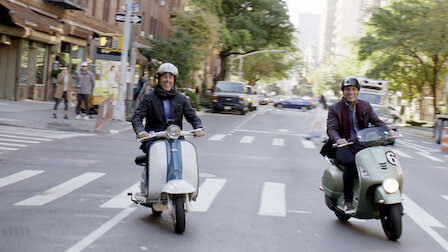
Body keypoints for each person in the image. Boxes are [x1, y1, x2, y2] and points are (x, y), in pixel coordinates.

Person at [325, 77, 397, 214]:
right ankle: (348, 200)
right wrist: (338, 139)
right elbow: (331, 128)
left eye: (353, 89)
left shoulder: (365, 106)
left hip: (363, 144)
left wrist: (389, 130)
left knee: (379, 159)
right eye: (347, 89)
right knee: (351, 163)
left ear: (357, 91)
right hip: (344, 146)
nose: (350, 92)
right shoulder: (335, 108)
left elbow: (377, 121)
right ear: (343, 91)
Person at [131, 62, 204, 198]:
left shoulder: (181, 98)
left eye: (170, 77)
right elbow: (137, 117)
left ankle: (185, 182)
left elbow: (192, 116)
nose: (167, 80)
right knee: (154, 155)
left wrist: (198, 127)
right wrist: (141, 131)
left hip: (176, 137)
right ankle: (148, 185)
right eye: (164, 77)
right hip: (154, 137)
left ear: (174, 80)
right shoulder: (149, 98)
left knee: (184, 156)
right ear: (159, 79)